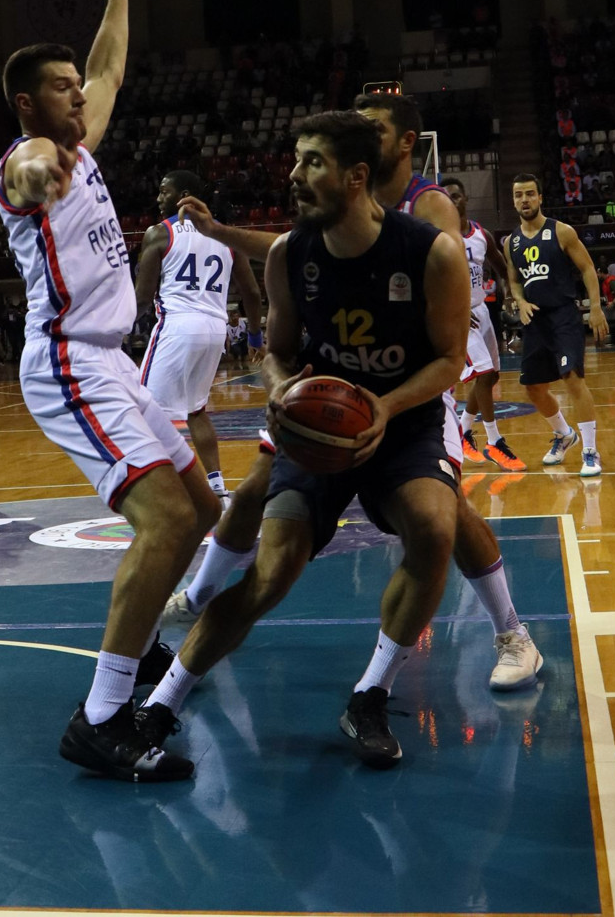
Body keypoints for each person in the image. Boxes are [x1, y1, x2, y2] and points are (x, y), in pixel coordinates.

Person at [166, 97, 543, 695]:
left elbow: (434, 290)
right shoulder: (330, 200)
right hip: (334, 379)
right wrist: (220, 234)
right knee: (253, 494)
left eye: (376, 129)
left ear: (402, 144)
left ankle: (512, 631)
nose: (363, 134)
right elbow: (297, 249)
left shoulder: (427, 204)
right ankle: (197, 598)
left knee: (447, 516)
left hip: (412, 386)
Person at [137, 109, 472, 771]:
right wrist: (283, 387)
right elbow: (279, 351)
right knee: (273, 567)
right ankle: (162, 703)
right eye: (295, 160)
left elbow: (450, 359)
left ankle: (370, 695)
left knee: (436, 529)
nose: (293, 175)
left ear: (354, 177)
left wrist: (386, 402)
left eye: (309, 162)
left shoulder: (430, 252)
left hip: (401, 423)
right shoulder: (292, 256)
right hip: (316, 429)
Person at [0, 0, 220, 783]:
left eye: (73, 87)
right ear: (28, 105)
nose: (78, 97)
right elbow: (23, 172)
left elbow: (109, 67)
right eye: (59, 90)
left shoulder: (83, 142)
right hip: (67, 363)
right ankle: (99, 721)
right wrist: (34, 168)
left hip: (114, 364)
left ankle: (142, 652)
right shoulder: (34, 157)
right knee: (164, 520)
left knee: (198, 512)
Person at [136, 168, 263, 509]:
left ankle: (167, 492)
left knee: (143, 412)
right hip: (215, 329)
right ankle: (217, 485)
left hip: (178, 324)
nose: (158, 197)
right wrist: (253, 336)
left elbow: (142, 296)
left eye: (164, 190)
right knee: (196, 411)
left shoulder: (159, 234)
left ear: (184, 196)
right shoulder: (224, 235)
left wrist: (113, 332)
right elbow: (251, 291)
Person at [505, 174, 607, 478]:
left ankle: (590, 451)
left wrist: (596, 307)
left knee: (572, 378)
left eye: (530, 194)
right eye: (519, 195)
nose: (524, 200)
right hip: (535, 320)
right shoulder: (512, 242)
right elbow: (513, 280)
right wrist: (520, 302)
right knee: (533, 389)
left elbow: (588, 268)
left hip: (563, 315)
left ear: (540, 198)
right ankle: (564, 435)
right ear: (514, 200)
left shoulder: (562, 232)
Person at [439, 176, 526, 473]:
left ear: (465, 199)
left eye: (456, 195)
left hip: (483, 312)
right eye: (446, 196)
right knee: (484, 373)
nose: (452, 200)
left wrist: (510, 296)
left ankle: (464, 432)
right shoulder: (437, 237)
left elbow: (502, 267)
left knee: (490, 378)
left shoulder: (481, 234)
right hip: (458, 317)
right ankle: (494, 441)